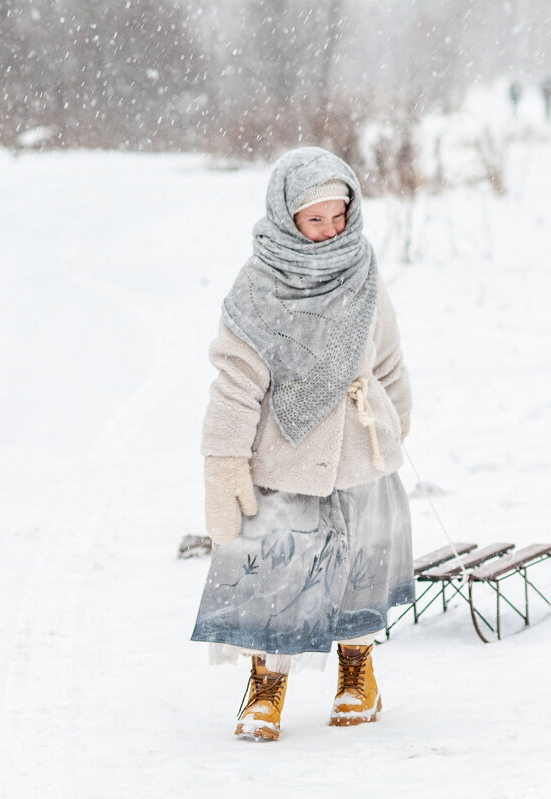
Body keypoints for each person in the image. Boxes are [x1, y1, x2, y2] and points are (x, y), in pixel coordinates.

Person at [190, 146, 414, 742]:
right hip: (284, 457)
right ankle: (267, 682)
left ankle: (356, 669)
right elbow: (236, 380)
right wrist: (223, 458)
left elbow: (387, 357)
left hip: (360, 450)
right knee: (278, 570)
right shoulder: (260, 283)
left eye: (339, 216)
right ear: (288, 216)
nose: (331, 230)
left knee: (360, 563)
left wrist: (397, 423)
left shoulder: (362, 269)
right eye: (316, 220)